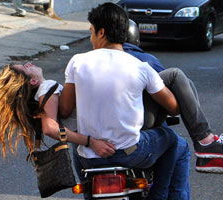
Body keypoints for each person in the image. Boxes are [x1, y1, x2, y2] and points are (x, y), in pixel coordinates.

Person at [0, 62, 190, 199]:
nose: (29, 63)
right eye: (25, 67)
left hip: (86, 152)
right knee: (176, 142)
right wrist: (89, 140)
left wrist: (86, 142)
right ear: (34, 80)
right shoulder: (47, 90)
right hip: (102, 141)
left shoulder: (40, 98)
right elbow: (50, 128)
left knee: (90, 191)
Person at [59, 3, 190, 199]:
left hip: (90, 159)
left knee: (78, 149)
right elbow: (173, 107)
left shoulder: (77, 61)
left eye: (92, 32)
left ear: (101, 32)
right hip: (130, 153)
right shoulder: (141, 67)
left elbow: (65, 110)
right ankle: (159, 195)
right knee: (172, 140)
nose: (91, 37)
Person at [124, 19, 223, 174]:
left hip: (97, 139)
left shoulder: (91, 62)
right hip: (137, 124)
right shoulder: (146, 60)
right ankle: (204, 140)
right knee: (178, 145)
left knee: (184, 82)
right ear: (136, 39)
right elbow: (172, 105)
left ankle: (205, 147)